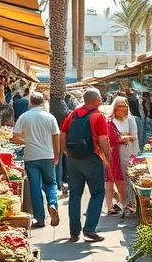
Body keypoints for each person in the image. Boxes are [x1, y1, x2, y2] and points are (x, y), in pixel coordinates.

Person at [58, 89, 112, 243]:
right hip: (92, 159)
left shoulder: (72, 114)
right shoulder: (98, 116)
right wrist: (107, 158)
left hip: (73, 159)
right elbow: (103, 140)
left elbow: (63, 134)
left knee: (75, 194)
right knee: (97, 193)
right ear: (95, 100)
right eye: (100, 99)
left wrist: (65, 152)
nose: (101, 101)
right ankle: (89, 230)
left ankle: (74, 232)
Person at [11, 92, 61, 229]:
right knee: (51, 183)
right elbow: (56, 136)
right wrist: (57, 154)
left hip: (31, 157)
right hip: (47, 155)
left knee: (35, 187)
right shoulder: (50, 117)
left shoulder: (24, 117)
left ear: (30, 102)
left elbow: (15, 137)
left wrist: (27, 141)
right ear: (43, 102)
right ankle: (52, 204)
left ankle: (40, 218)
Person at [106, 96, 138, 217]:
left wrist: (122, 138)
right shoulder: (111, 120)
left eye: (124, 107)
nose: (123, 109)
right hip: (114, 153)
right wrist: (123, 138)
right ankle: (119, 203)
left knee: (126, 178)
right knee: (113, 179)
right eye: (120, 107)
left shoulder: (130, 119)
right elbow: (112, 137)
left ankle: (128, 203)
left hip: (127, 152)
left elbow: (133, 136)